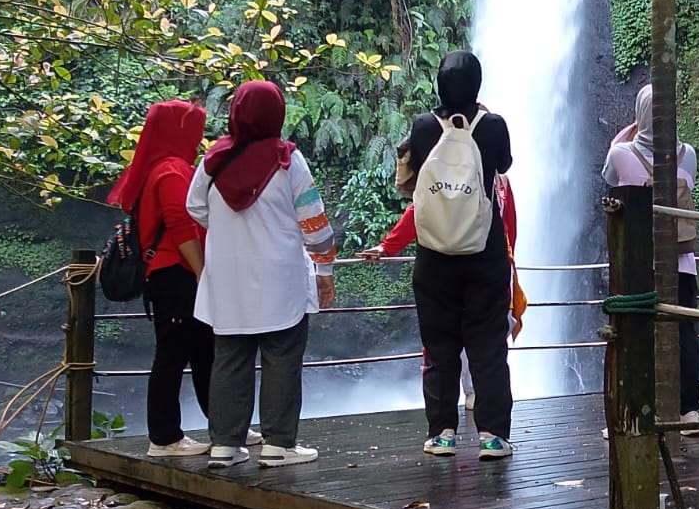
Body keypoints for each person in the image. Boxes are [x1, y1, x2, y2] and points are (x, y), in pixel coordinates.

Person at [187, 80, 336, 469]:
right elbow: (315, 225)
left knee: (229, 358)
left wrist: (225, 230)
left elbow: (194, 207)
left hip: (227, 278)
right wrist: (325, 267)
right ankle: (278, 444)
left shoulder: (212, 161)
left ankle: (225, 444)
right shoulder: (288, 161)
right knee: (282, 356)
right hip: (280, 278)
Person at [108, 99, 238, 459]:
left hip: (173, 275)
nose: (197, 136)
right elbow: (181, 228)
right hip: (176, 275)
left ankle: (225, 428)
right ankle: (164, 438)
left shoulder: (167, 167)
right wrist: (202, 273)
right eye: (193, 128)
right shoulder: (170, 171)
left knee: (202, 353)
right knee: (174, 355)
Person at [404, 51, 515, 460]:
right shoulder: (494, 126)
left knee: (439, 345)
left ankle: (442, 433)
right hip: (483, 249)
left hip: (434, 253)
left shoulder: (421, 127)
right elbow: (502, 164)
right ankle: (493, 435)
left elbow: (413, 174)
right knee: (488, 344)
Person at [362, 142, 523, 411]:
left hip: (491, 267)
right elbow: (418, 211)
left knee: (490, 330)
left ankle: (474, 396)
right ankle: (464, 400)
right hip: (460, 266)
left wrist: (509, 266)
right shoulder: (448, 175)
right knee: (461, 331)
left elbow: (509, 225)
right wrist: (387, 246)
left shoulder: (501, 181)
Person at [601, 84, 699, 425]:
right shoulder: (688, 154)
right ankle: (688, 409)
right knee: (684, 332)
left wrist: (629, 134)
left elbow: (609, 175)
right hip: (683, 262)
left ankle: (636, 410)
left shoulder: (620, 154)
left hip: (638, 263)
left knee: (635, 333)